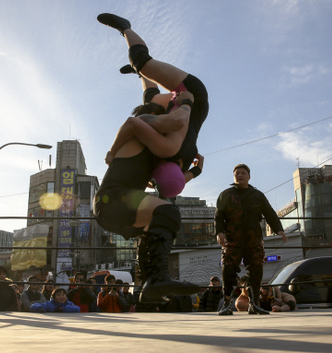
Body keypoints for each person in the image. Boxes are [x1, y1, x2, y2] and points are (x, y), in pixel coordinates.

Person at [95, 13, 210, 302]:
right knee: (143, 64)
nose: (157, 97)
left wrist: (194, 174)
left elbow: (150, 92)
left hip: (117, 202)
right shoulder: (159, 120)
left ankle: (149, 285)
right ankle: (126, 29)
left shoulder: (159, 144)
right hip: (115, 198)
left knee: (156, 222)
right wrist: (183, 100)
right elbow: (152, 114)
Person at [215, 164, 288, 315]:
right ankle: (227, 304)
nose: (240, 175)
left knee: (256, 269)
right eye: (237, 173)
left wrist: (279, 230)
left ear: (249, 176)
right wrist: (219, 233)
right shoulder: (226, 195)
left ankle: (254, 304)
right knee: (228, 269)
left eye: (243, 173)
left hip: (253, 239)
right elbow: (218, 216)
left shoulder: (257, 195)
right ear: (234, 176)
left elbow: (269, 213)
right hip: (232, 239)